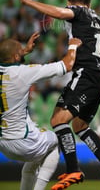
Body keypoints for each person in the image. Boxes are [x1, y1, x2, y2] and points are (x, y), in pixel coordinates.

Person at [17, 0, 100, 190]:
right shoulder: (99, 21)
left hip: (86, 74)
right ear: (90, 2)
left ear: (70, 2)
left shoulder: (78, 11)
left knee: (58, 119)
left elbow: (57, 12)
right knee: (79, 126)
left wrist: (28, 2)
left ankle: (73, 168)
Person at [0, 32, 82, 190]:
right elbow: (67, 65)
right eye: (20, 49)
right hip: (23, 141)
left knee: (34, 160)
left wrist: (20, 52)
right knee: (57, 140)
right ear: (16, 56)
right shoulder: (22, 73)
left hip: (3, 143)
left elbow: (8, 58)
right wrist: (72, 44)